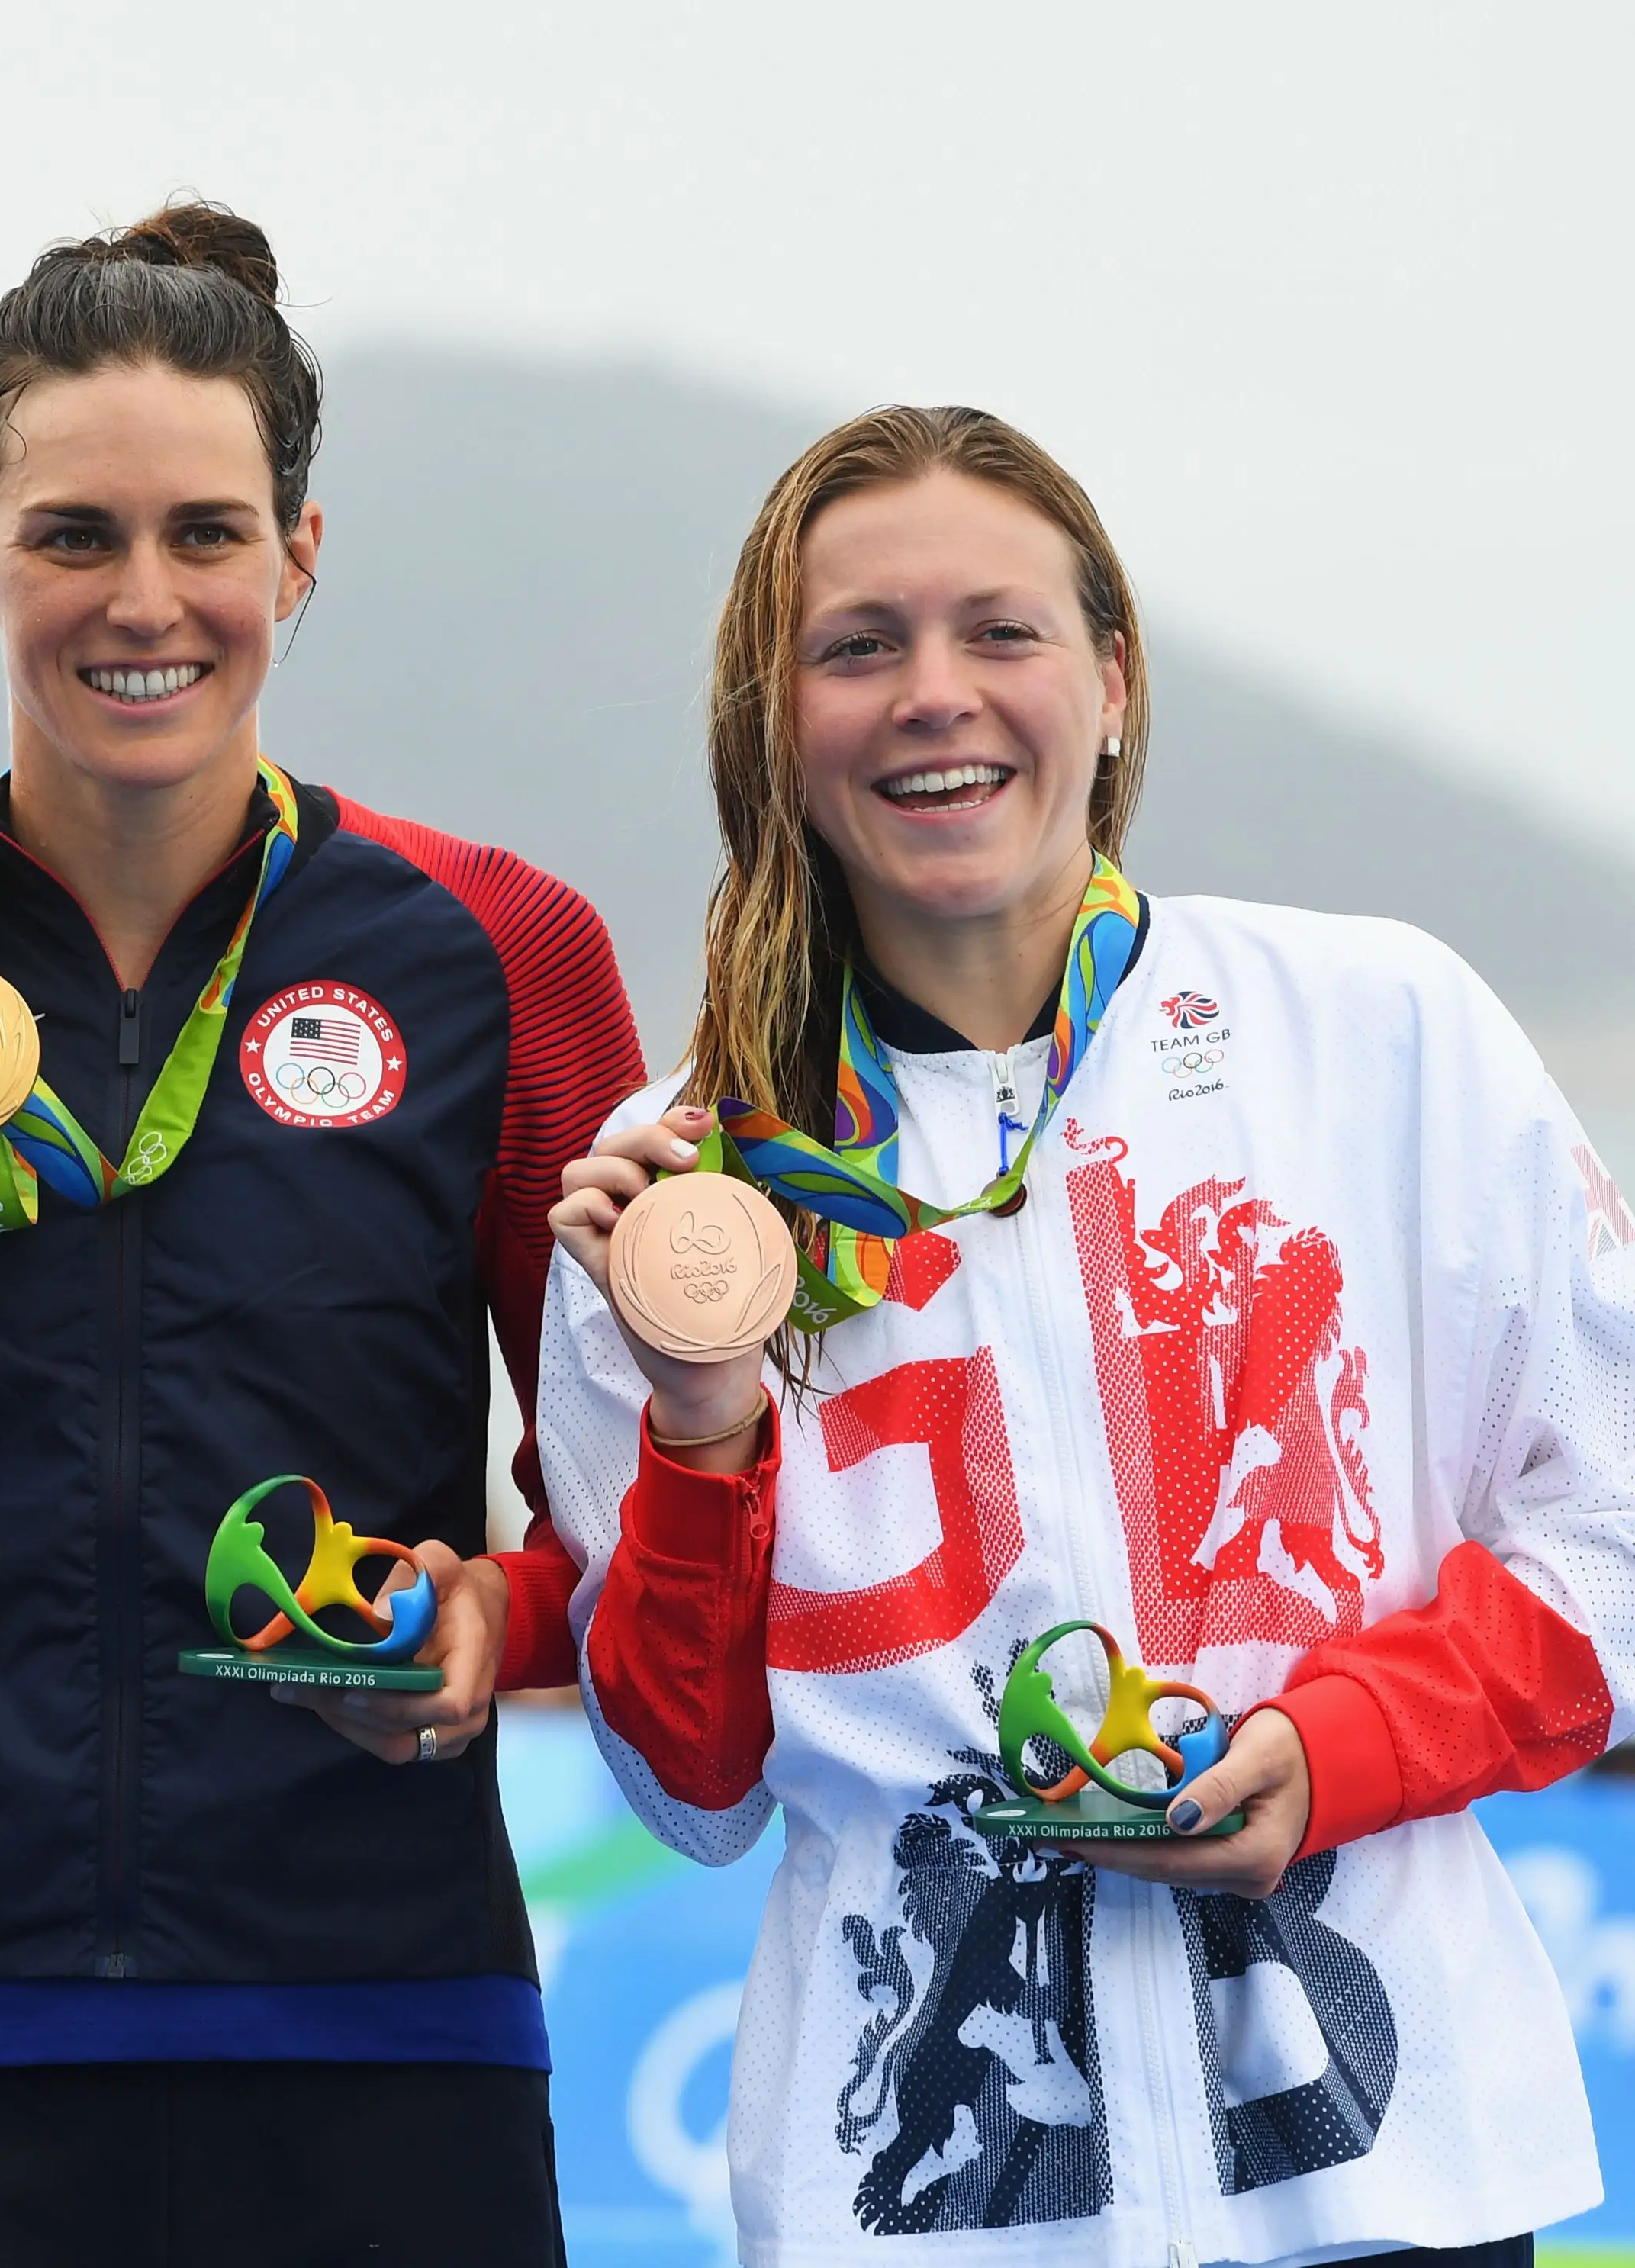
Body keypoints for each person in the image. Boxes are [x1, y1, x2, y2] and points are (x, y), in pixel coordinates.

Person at [0, 203, 638, 2265]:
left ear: (300, 555)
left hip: (386, 2023)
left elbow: (640, 1557)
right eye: (72, 534)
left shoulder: (497, 951)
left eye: (204, 532)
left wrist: (486, 1629)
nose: (140, 597)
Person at [539, 405, 1635, 2267]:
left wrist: (1340, 1744)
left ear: (1110, 681)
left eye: (1000, 632)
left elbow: (1610, 1532)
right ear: (773, 725)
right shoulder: (683, 1206)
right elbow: (688, 1790)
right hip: (927, 2207)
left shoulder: (1378, 1033)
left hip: (1387, 2185)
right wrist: (702, 1424)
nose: (931, 693)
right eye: (857, 646)